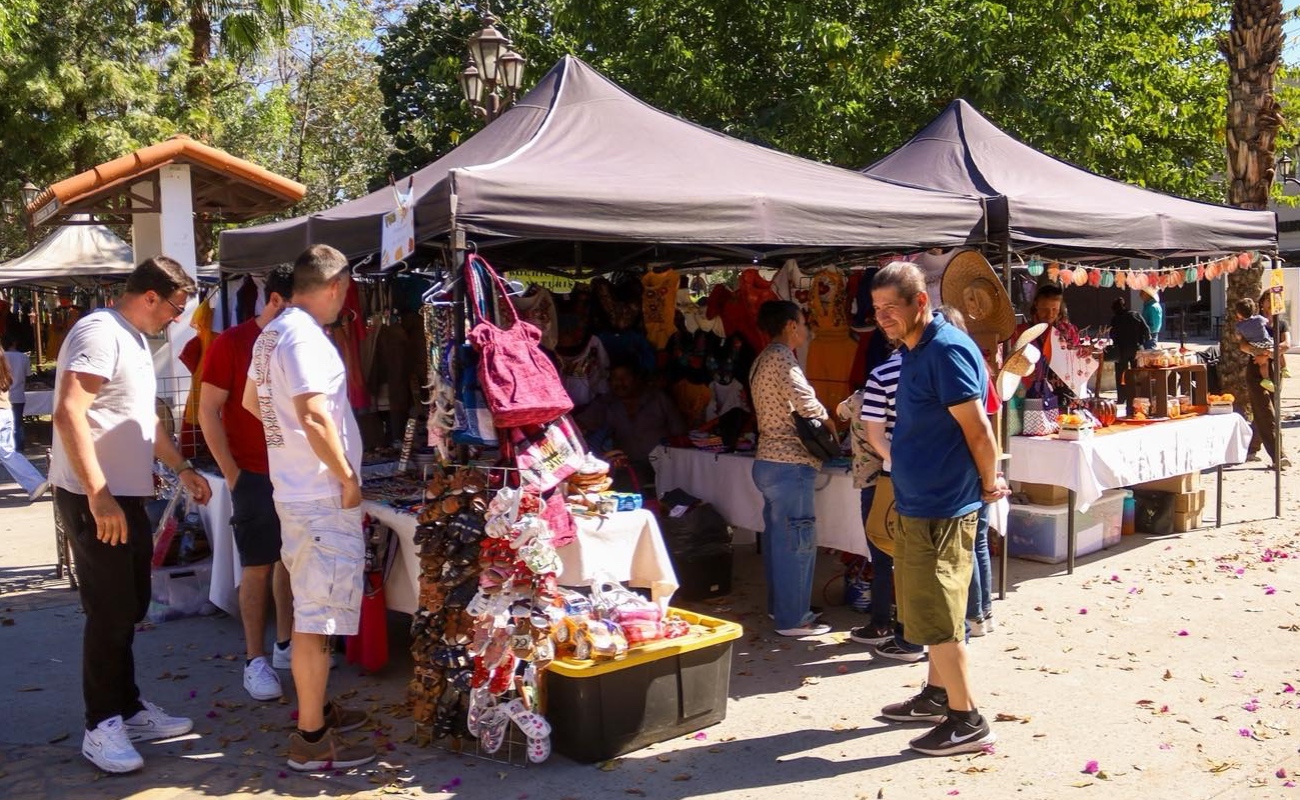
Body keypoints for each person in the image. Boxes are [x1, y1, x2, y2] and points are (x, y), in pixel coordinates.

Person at [48, 256, 212, 774]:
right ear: (150, 296)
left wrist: (182, 466)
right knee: (111, 612)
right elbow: (70, 411)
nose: (175, 318)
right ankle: (101, 725)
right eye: (175, 308)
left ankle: (128, 707)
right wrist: (98, 495)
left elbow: (144, 422)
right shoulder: (99, 333)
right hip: (97, 498)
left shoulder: (135, 338)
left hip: (125, 496)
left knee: (131, 604)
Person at [244, 244, 374, 771]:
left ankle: (315, 709)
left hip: (297, 492)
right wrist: (345, 477)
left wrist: (292, 450)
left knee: (309, 609)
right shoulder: (303, 337)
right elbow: (316, 417)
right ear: (336, 286)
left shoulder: (272, 332)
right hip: (320, 497)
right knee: (316, 622)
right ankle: (311, 739)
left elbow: (255, 404)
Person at [871, 262, 1005, 756]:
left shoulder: (947, 350)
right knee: (925, 610)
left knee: (942, 613)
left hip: (943, 506)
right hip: (917, 501)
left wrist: (990, 485)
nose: (883, 317)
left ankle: (967, 719)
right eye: (877, 309)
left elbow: (979, 430)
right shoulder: (914, 348)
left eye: (892, 308)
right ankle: (936, 695)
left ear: (919, 303)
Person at [197, 265, 296, 702]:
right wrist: (233, 473)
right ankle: (255, 659)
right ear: (275, 301)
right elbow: (207, 411)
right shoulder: (231, 343)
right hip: (254, 474)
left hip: (296, 475)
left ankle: (285, 645)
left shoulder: (299, 342)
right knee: (257, 565)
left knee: (289, 563)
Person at [748, 300, 834, 637]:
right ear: (789, 325)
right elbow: (808, 405)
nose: (806, 329)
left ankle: (781, 609)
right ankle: (794, 617)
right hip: (789, 463)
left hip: (768, 460)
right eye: (802, 322)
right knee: (796, 542)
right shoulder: (783, 359)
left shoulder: (762, 359)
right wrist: (831, 421)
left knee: (778, 542)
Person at [577, 359, 685, 490]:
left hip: (664, 467)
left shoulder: (659, 399)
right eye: (615, 378)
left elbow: (679, 433)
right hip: (626, 471)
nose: (619, 383)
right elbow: (579, 427)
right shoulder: (605, 403)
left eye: (625, 377)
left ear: (637, 379)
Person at [1012, 283, 1087, 401]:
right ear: (1036, 305)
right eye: (1045, 309)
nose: (1050, 314)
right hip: (1029, 394)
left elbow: (1077, 363)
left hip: (1063, 393)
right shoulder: (1021, 332)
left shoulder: (1069, 331)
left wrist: (1083, 354)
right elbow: (1011, 364)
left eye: (1055, 309)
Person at [1241, 288, 1289, 468]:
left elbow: (1286, 344)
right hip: (1255, 369)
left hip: (1274, 368)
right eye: (1270, 298)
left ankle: (1250, 447)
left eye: (1277, 298)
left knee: (1269, 409)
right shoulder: (1253, 322)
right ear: (1262, 302)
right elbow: (1243, 345)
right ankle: (1278, 455)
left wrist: (1267, 354)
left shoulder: (1281, 323)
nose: (1274, 301)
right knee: (1266, 410)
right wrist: (1259, 353)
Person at [0, 344, 48, 501]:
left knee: (7, 452)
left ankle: (35, 481)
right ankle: (35, 482)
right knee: (7, 452)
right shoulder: (4, 367)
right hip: (5, 411)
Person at [1234, 297, 1284, 393]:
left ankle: (1266, 379)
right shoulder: (1259, 319)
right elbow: (1267, 322)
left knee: (1263, 363)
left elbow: (1238, 337)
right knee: (1278, 351)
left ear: (1239, 313)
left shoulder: (1239, 326)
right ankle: (1284, 367)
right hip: (1266, 343)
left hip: (1254, 346)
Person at [1108, 297, 1150, 402]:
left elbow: (1112, 334)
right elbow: (1147, 331)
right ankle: (1139, 396)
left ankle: (1122, 398)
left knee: (1121, 374)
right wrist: (1141, 341)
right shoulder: (1136, 315)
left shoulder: (1115, 319)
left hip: (1121, 350)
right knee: (1139, 373)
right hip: (1137, 348)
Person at [3, 334, 30, 452]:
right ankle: (19, 449)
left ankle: (6, 449)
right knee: (18, 424)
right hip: (18, 395)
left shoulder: (2, 356)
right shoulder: (23, 357)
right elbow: (28, 375)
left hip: (3, 395)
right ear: (14, 342)